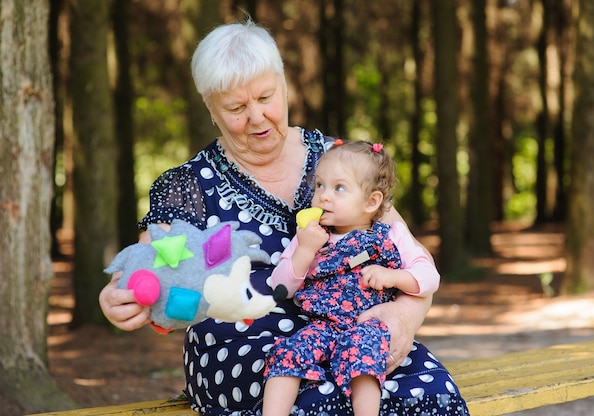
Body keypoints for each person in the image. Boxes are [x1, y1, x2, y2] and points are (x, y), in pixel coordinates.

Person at [98, 18, 469, 416]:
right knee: (320, 404)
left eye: (265, 97)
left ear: (284, 83)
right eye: (237, 108)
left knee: (432, 393)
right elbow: (149, 267)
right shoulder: (187, 185)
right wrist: (119, 296)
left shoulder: (340, 160)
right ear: (210, 108)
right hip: (240, 349)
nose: (256, 118)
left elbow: (411, 255)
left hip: (355, 332)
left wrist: (403, 316)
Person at [262, 140, 441, 416]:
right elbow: (280, 287)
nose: (323, 196)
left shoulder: (391, 234)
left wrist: (394, 277)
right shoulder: (311, 236)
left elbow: (430, 278)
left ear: (372, 202)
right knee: (288, 351)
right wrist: (305, 250)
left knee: (363, 352)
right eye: (319, 185)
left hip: (368, 326)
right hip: (323, 327)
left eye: (339, 188)